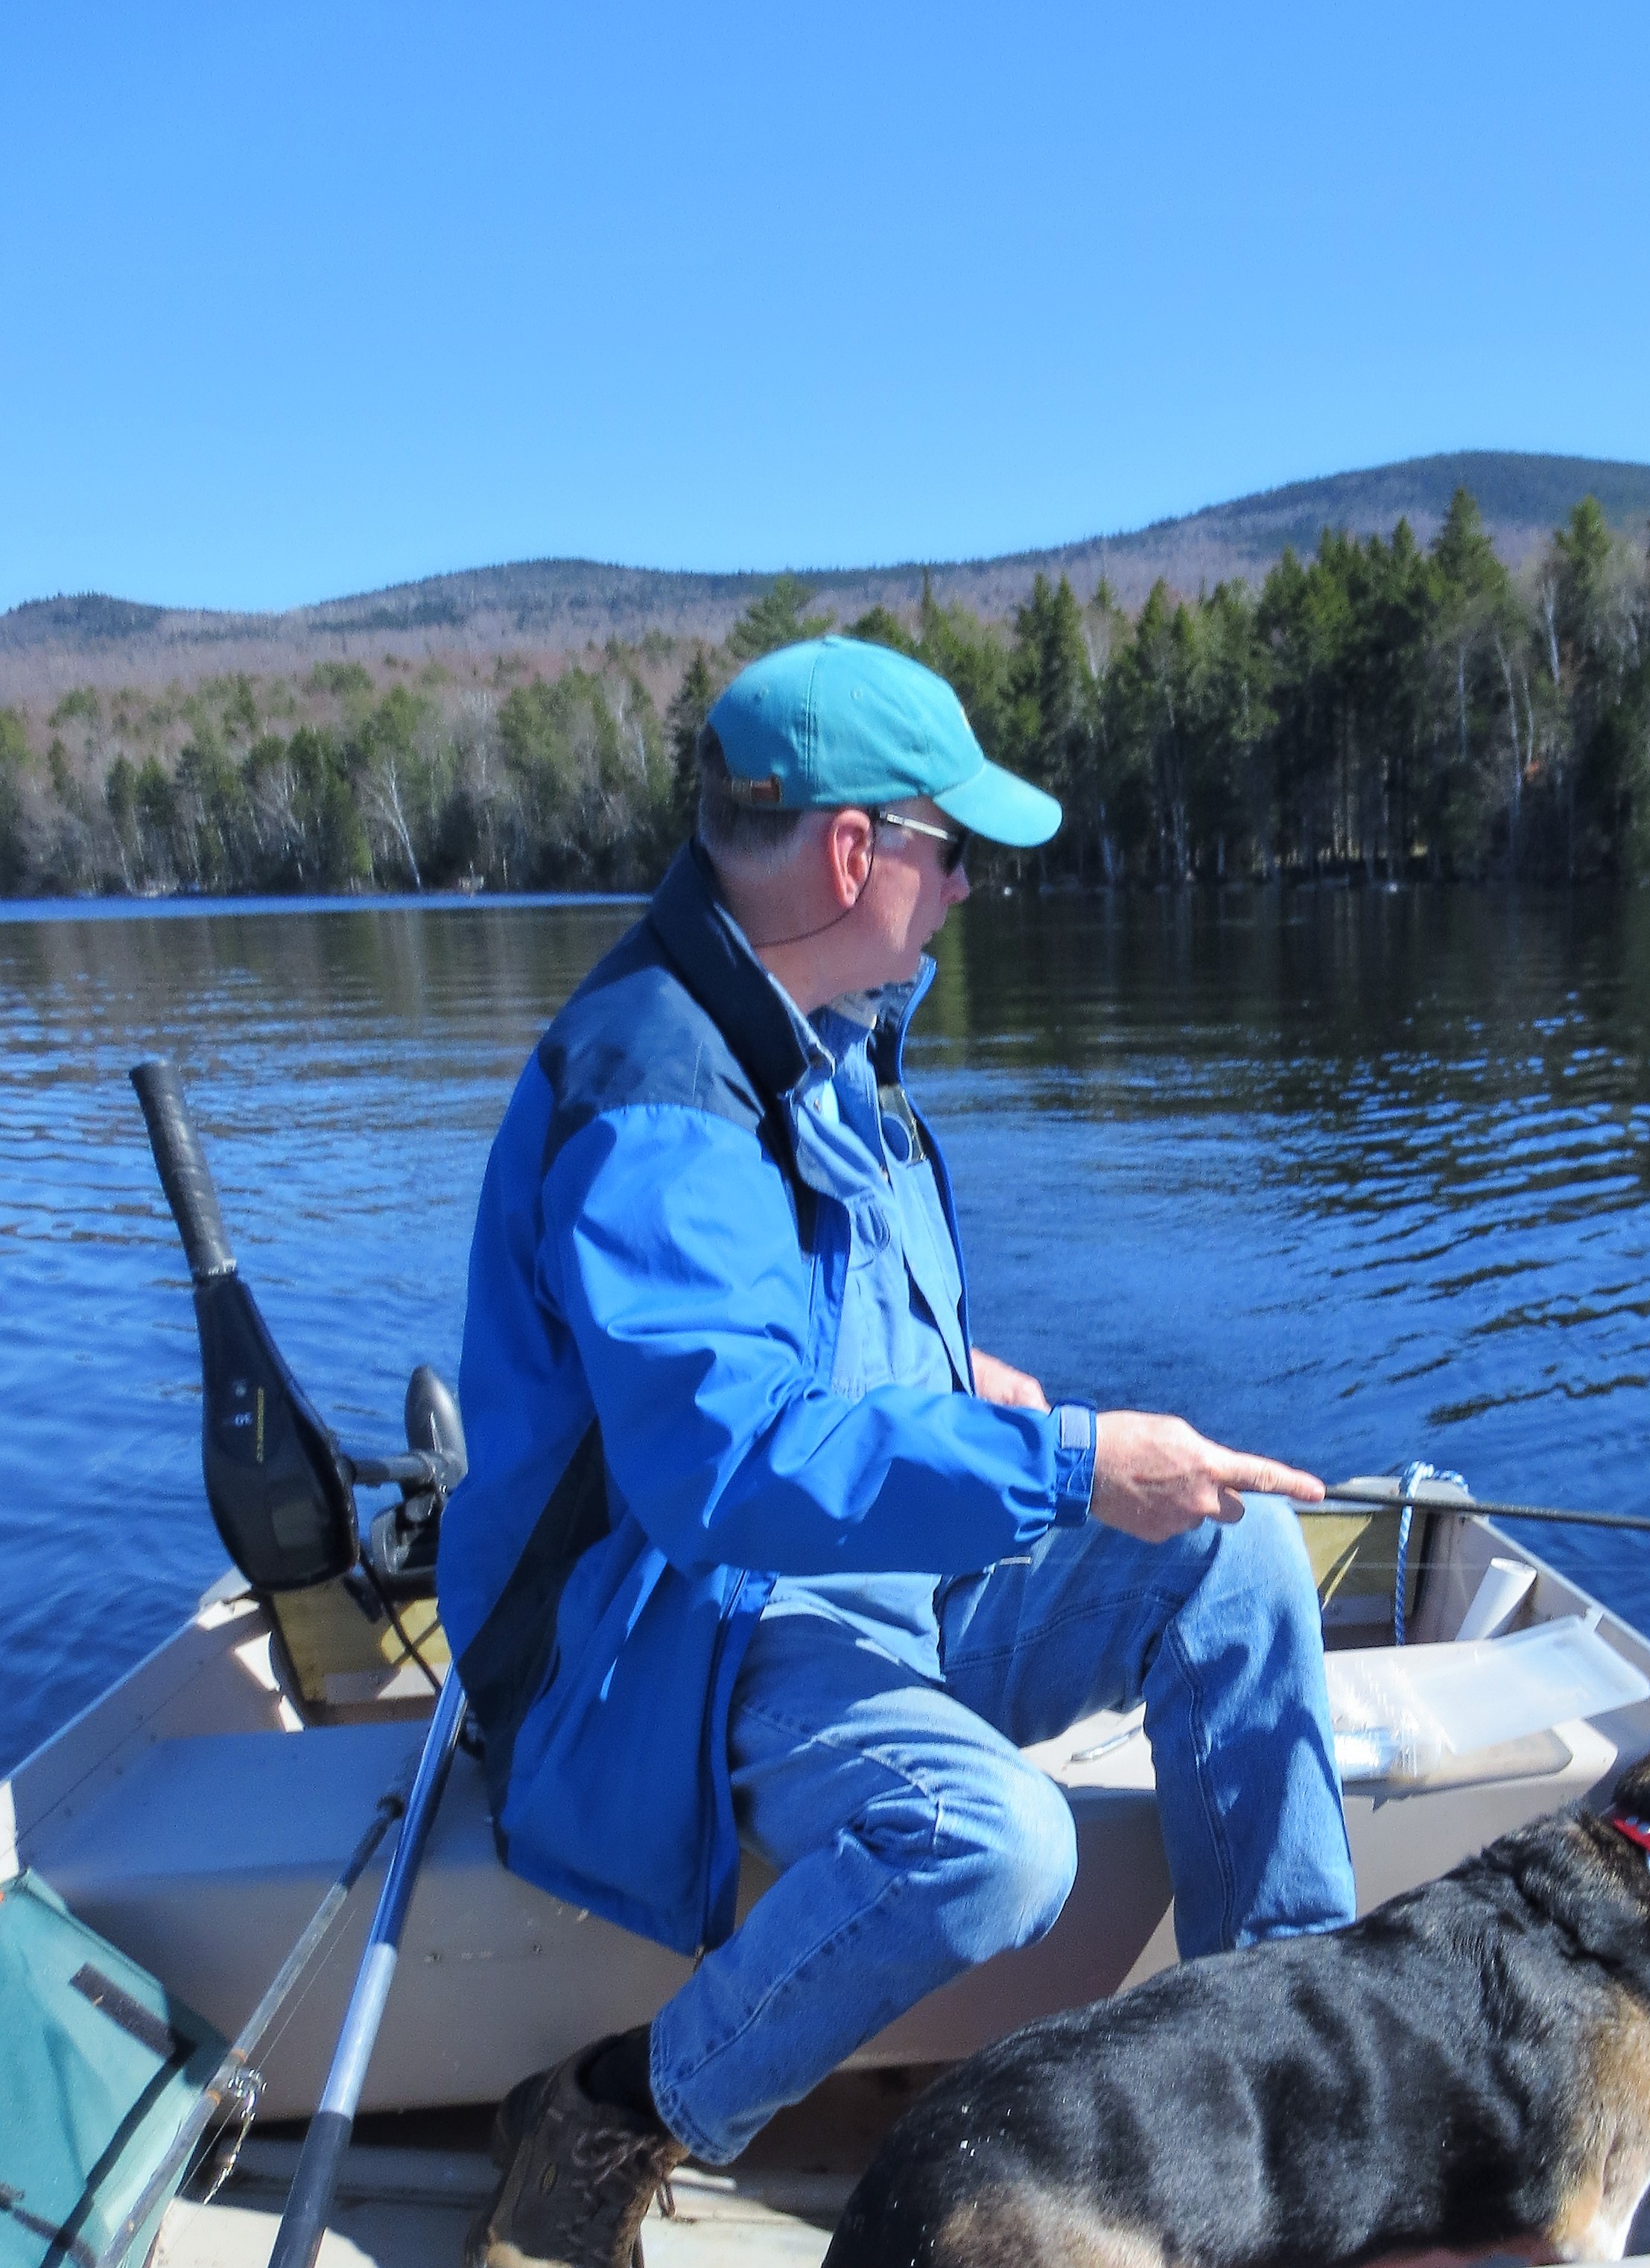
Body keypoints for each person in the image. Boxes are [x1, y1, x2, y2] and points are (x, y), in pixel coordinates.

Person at [440, 635, 1357, 2268]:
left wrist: (964, 1380)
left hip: (840, 1577)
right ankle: (619, 2109)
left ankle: (1292, 2092)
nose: (970, 887)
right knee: (994, 1839)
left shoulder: (819, 1025)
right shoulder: (656, 1094)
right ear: (856, 851)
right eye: (958, 849)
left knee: (1235, 1550)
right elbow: (724, 1464)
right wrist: (1069, 1463)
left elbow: (813, 1333)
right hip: (660, 1649)